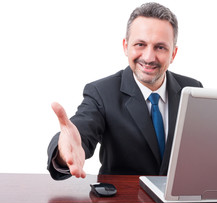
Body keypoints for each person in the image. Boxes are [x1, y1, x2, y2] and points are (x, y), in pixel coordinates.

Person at [47, 2, 203, 180]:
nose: (148, 57)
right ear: (125, 46)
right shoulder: (102, 93)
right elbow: (80, 132)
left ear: (173, 54)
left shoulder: (192, 90)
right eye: (140, 44)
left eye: (160, 47)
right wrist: (62, 152)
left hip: (178, 202)